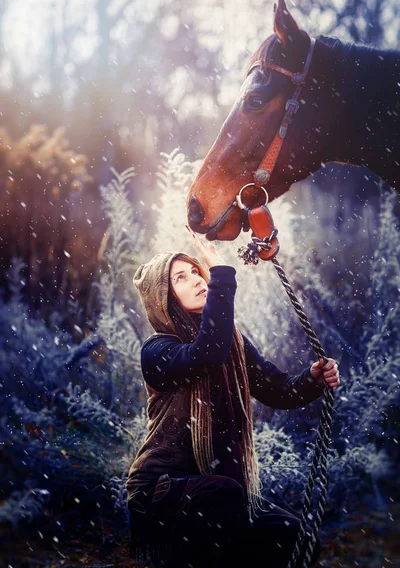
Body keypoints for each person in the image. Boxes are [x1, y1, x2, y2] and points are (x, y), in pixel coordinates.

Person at [126, 227, 340, 568]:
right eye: (181, 277)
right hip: (162, 492)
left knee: (296, 537)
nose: (197, 278)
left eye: (197, 270)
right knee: (221, 499)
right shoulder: (157, 350)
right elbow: (207, 352)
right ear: (163, 298)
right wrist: (221, 273)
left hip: (221, 492)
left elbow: (278, 389)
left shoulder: (232, 342)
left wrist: (313, 379)